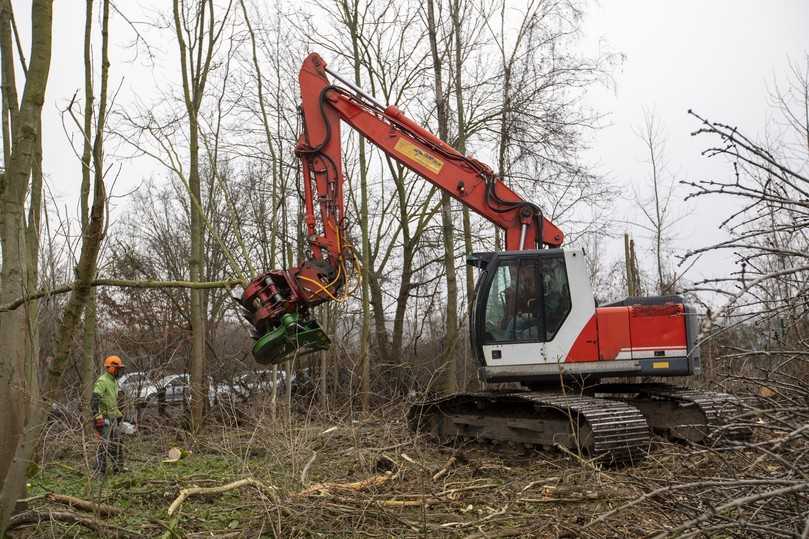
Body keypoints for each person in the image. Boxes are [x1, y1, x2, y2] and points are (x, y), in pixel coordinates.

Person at [91, 355, 126, 475]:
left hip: (112, 417)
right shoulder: (102, 381)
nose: (119, 371)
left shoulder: (113, 381)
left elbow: (111, 400)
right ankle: (100, 470)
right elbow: (95, 399)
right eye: (118, 369)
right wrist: (97, 416)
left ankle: (118, 468)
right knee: (103, 445)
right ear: (111, 368)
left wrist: (119, 414)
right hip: (104, 418)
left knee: (117, 442)